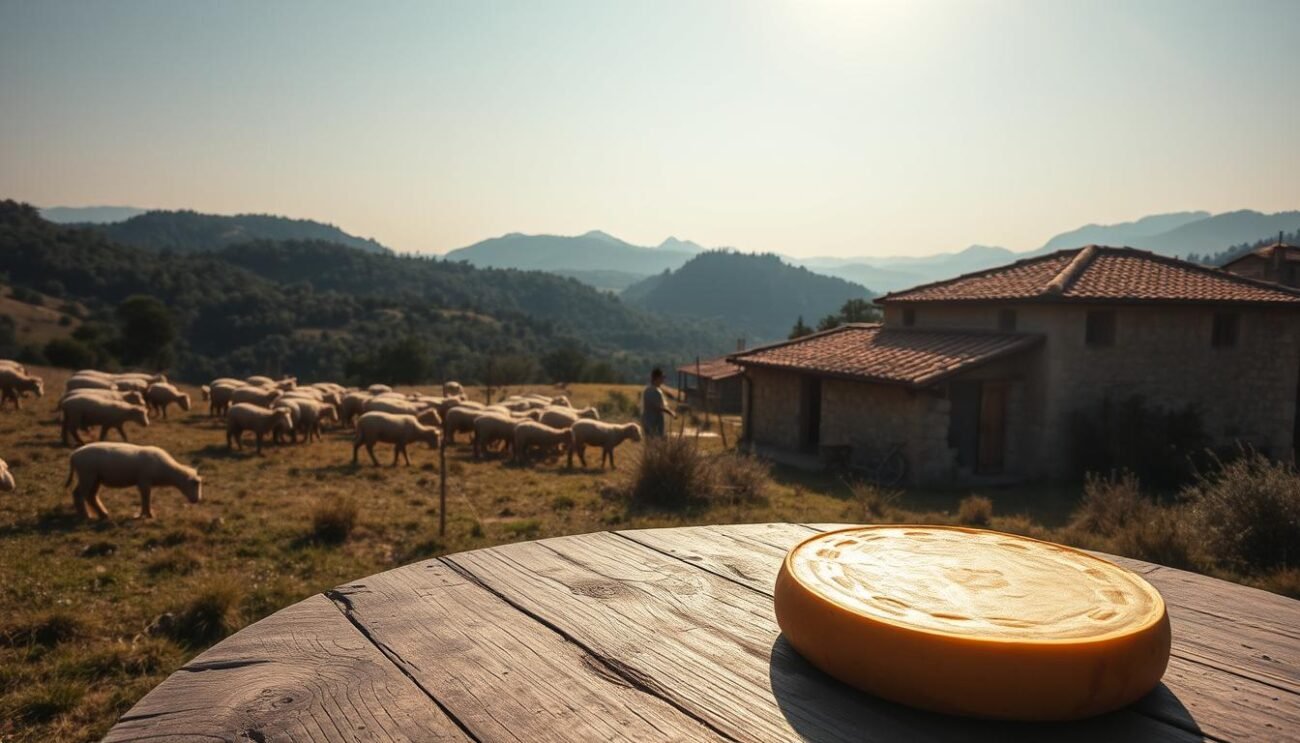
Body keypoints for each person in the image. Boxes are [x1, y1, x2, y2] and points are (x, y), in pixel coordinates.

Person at [641, 367, 676, 438]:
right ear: (657, 378)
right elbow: (657, 407)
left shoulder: (648, 390)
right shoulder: (653, 391)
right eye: (662, 378)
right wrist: (670, 412)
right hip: (654, 423)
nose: (663, 380)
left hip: (649, 422)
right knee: (656, 443)